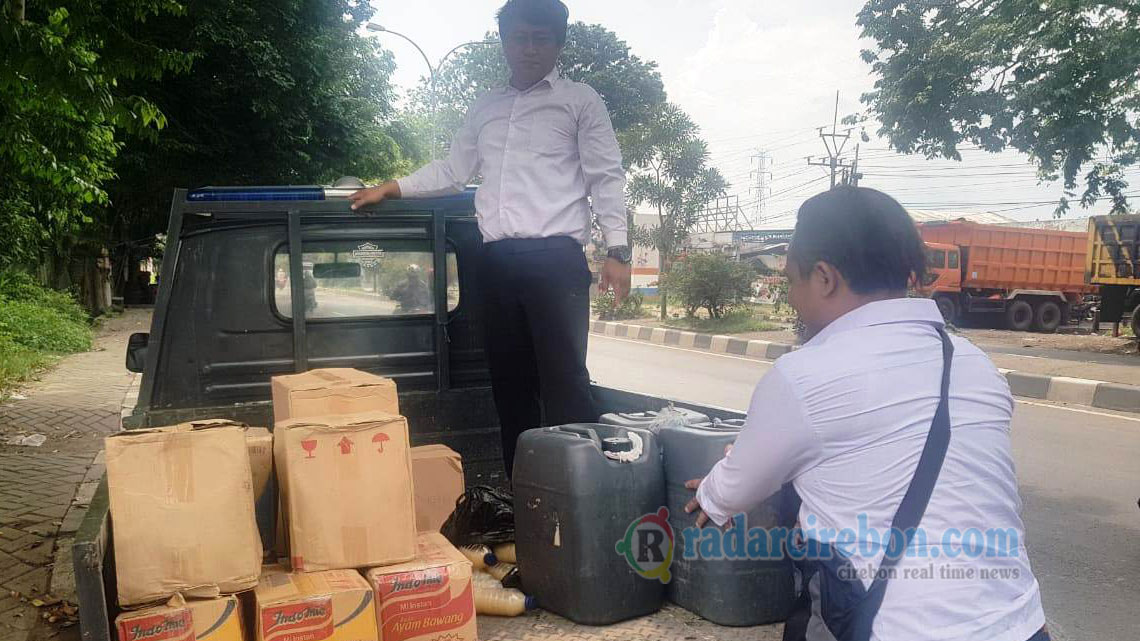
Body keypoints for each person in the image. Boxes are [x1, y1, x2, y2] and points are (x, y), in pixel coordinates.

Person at [685, 187, 1047, 641]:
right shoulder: (976, 364)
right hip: (1022, 624)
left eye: (792, 280)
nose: (792, 299)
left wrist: (714, 492)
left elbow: (735, 489)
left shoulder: (804, 374)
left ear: (823, 277)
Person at [348, 0, 631, 478]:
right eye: (520, 36)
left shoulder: (580, 100)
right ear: (504, 40)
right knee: (510, 388)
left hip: (555, 260)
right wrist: (392, 187)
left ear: (558, 43)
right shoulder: (486, 107)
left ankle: (583, 498)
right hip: (495, 262)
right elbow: (454, 171)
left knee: (565, 386)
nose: (529, 47)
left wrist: (618, 249)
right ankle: (524, 501)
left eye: (541, 37)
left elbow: (606, 176)